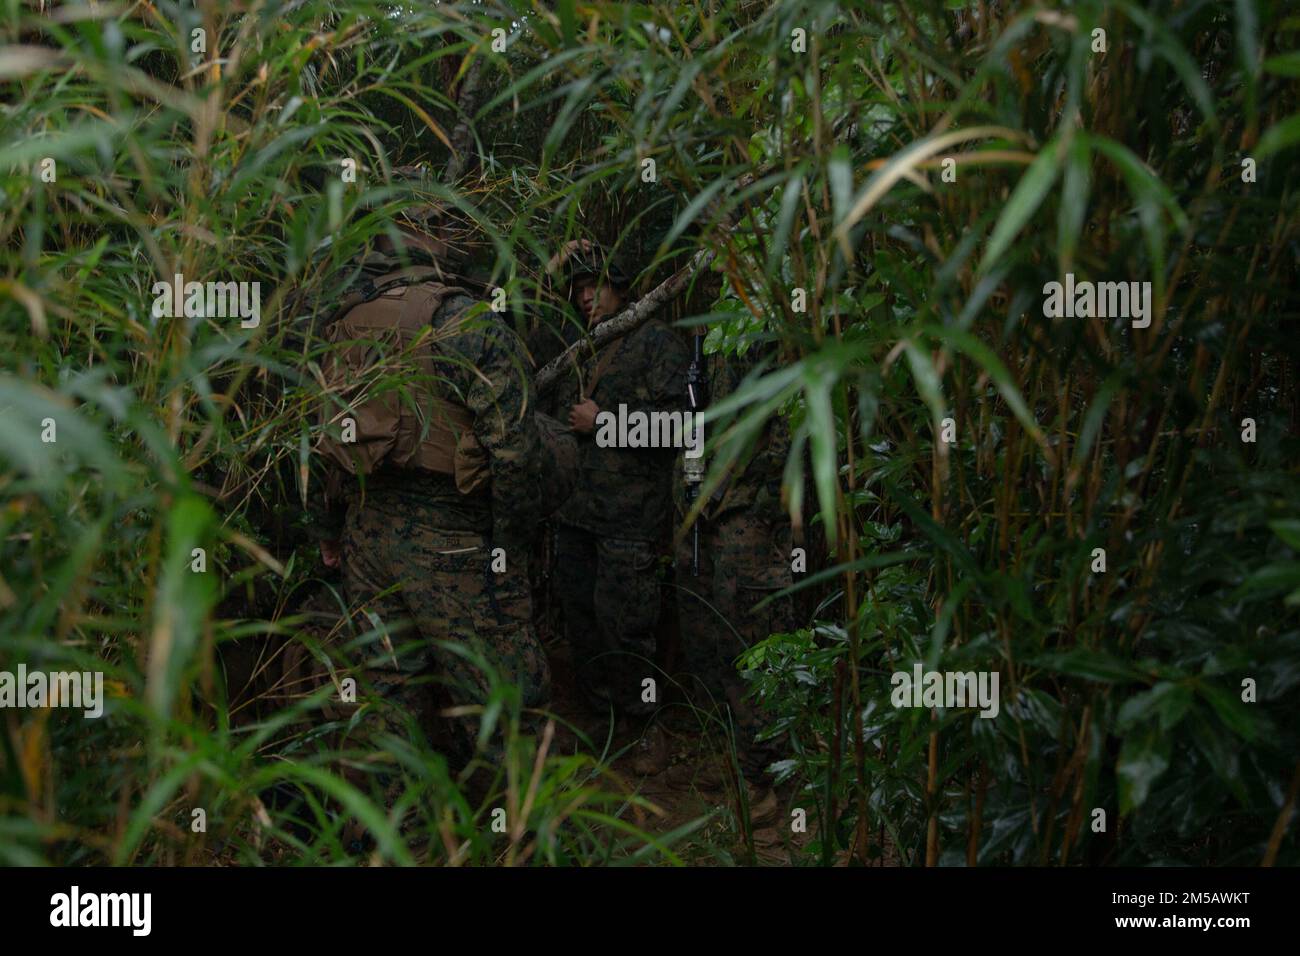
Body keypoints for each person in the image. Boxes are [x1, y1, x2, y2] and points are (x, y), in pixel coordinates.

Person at [307, 179, 570, 799]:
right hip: (453, 536)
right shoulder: (464, 322)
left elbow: (324, 443)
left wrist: (329, 532)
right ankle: (527, 835)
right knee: (509, 701)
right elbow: (518, 454)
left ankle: (400, 841)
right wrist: (510, 544)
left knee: (384, 701)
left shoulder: (347, 320)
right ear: (446, 246)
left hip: (368, 536)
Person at [546, 239, 690, 774]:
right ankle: (602, 715)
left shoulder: (656, 344)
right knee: (581, 620)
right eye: (578, 289)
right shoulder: (575, 349)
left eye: (595, 286)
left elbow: (679, 427)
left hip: (630, 519)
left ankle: (645, 724)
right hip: (576, 515)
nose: (586, 298)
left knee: (627, 624)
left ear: (621, 286)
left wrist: (604, 422)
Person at [672, 343, 796, 826]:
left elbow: (788, 433)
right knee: (709, 638)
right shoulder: (718, 339)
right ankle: (728, 756)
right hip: (706, 516)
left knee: (753, 645)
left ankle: (764, 777)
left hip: (748, 518)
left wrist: (751, 501)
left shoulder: (771, 333)